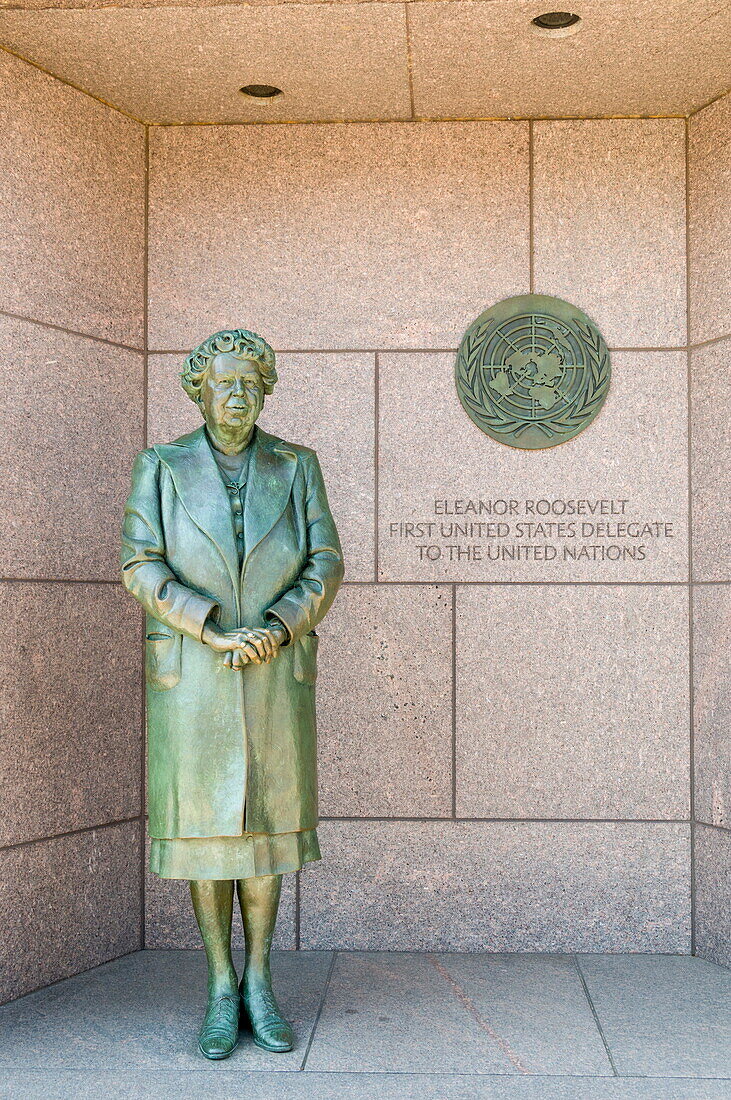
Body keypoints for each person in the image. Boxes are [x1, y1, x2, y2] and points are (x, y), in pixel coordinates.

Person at [121, 328, 344, 1059]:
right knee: (207, 832)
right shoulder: (161, 466)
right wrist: (211, 628)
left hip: (276, 669)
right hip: (194, 672)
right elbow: (140, 563)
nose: (238, 394)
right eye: (224, 383)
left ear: (266, 388)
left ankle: (260, 980)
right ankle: (219, 984)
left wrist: (277, 629)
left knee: (268, 829)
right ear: (199, 388)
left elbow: (325, 561)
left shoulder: (296, 464)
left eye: (251, 381)